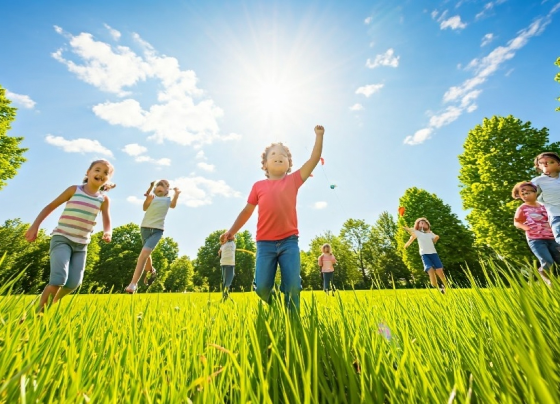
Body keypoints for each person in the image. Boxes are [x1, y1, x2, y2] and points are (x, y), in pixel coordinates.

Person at [220, 125, 325, 311]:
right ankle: (277, 306)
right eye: (274, 154)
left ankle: (292, 318)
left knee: (293, 286)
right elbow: (246, 211)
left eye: (284, 154)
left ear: (289, 164)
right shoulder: (258, 186)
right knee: (261, 288)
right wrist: (231, 231)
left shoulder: (293, 180)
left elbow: (314, 159)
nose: (279, 155)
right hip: (265, 244)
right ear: (265, 164)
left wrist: (319, 135)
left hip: (289, 242)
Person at [25, 159, 115, 312]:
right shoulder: (74, 190)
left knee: (73, 283)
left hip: (81, 245)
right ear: (88, 172)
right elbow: (50, 207)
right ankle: (37, 313)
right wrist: (35, 226)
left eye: (106, 173)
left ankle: (45, 304)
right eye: (97, 170)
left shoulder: (103, 199)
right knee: (59, 278)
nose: (101, 174)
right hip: (62, 238)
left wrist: (108, 232)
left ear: (108, 179)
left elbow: (107, 219)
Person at [125, 180, 180, 293]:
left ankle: (133, 284)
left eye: (163, 185)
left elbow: (173, 205)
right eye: (158, 185)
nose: (160, 186)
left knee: (144, 253)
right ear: (155, 189)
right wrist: (148, 198)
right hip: (144, 228)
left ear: (167, 190)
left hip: (157, 230)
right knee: (146, 254)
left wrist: (176, 194)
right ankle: (151, 270)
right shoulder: (152, 197)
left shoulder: (167, 199)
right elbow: (144, 208)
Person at [512, 181, 558, 285]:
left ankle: (549, 280)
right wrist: (526, 228)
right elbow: (517, 222)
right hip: (536, 240)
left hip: (552, 238)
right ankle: (547, 280)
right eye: (522, 194)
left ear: (535, 192)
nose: (525, 195)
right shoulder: (523, 208)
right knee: (547, 261)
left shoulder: (544, 206)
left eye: (528, 192)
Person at [403, 217, 448, 293]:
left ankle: (446, 286)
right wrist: (403, 224)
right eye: (421, 222)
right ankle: (437, 288)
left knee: (439, 270)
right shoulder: (417, 232)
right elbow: (410, 231)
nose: (423, 223)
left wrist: (436, 237)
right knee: (430, 270)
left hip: (434, 254)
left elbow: (434, 240)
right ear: (418, 225)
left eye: (425, 222)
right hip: (424, 254)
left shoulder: (430, 233)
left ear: (428, 225)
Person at [531, 152, 560, 244]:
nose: (546, 164)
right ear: (538, 167)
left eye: (550, 162)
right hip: (555, 214)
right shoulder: (538, 180)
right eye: (542, 163)